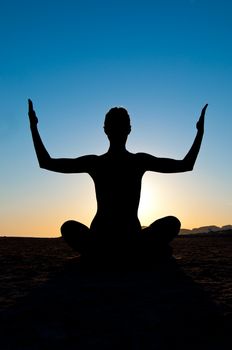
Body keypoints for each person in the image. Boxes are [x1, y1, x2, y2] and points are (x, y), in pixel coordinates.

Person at [28, 100, 207, 260]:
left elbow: (46, 162)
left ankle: (101, 255)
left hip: (113, 239)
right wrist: (200, 133)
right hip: (121, 238)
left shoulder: (103, 162)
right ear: (128, 129)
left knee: (171, 222)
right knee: (68, 227)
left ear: (106, 129)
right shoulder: (124, 162)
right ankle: (134, 254)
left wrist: (34, 128)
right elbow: (186, 165)